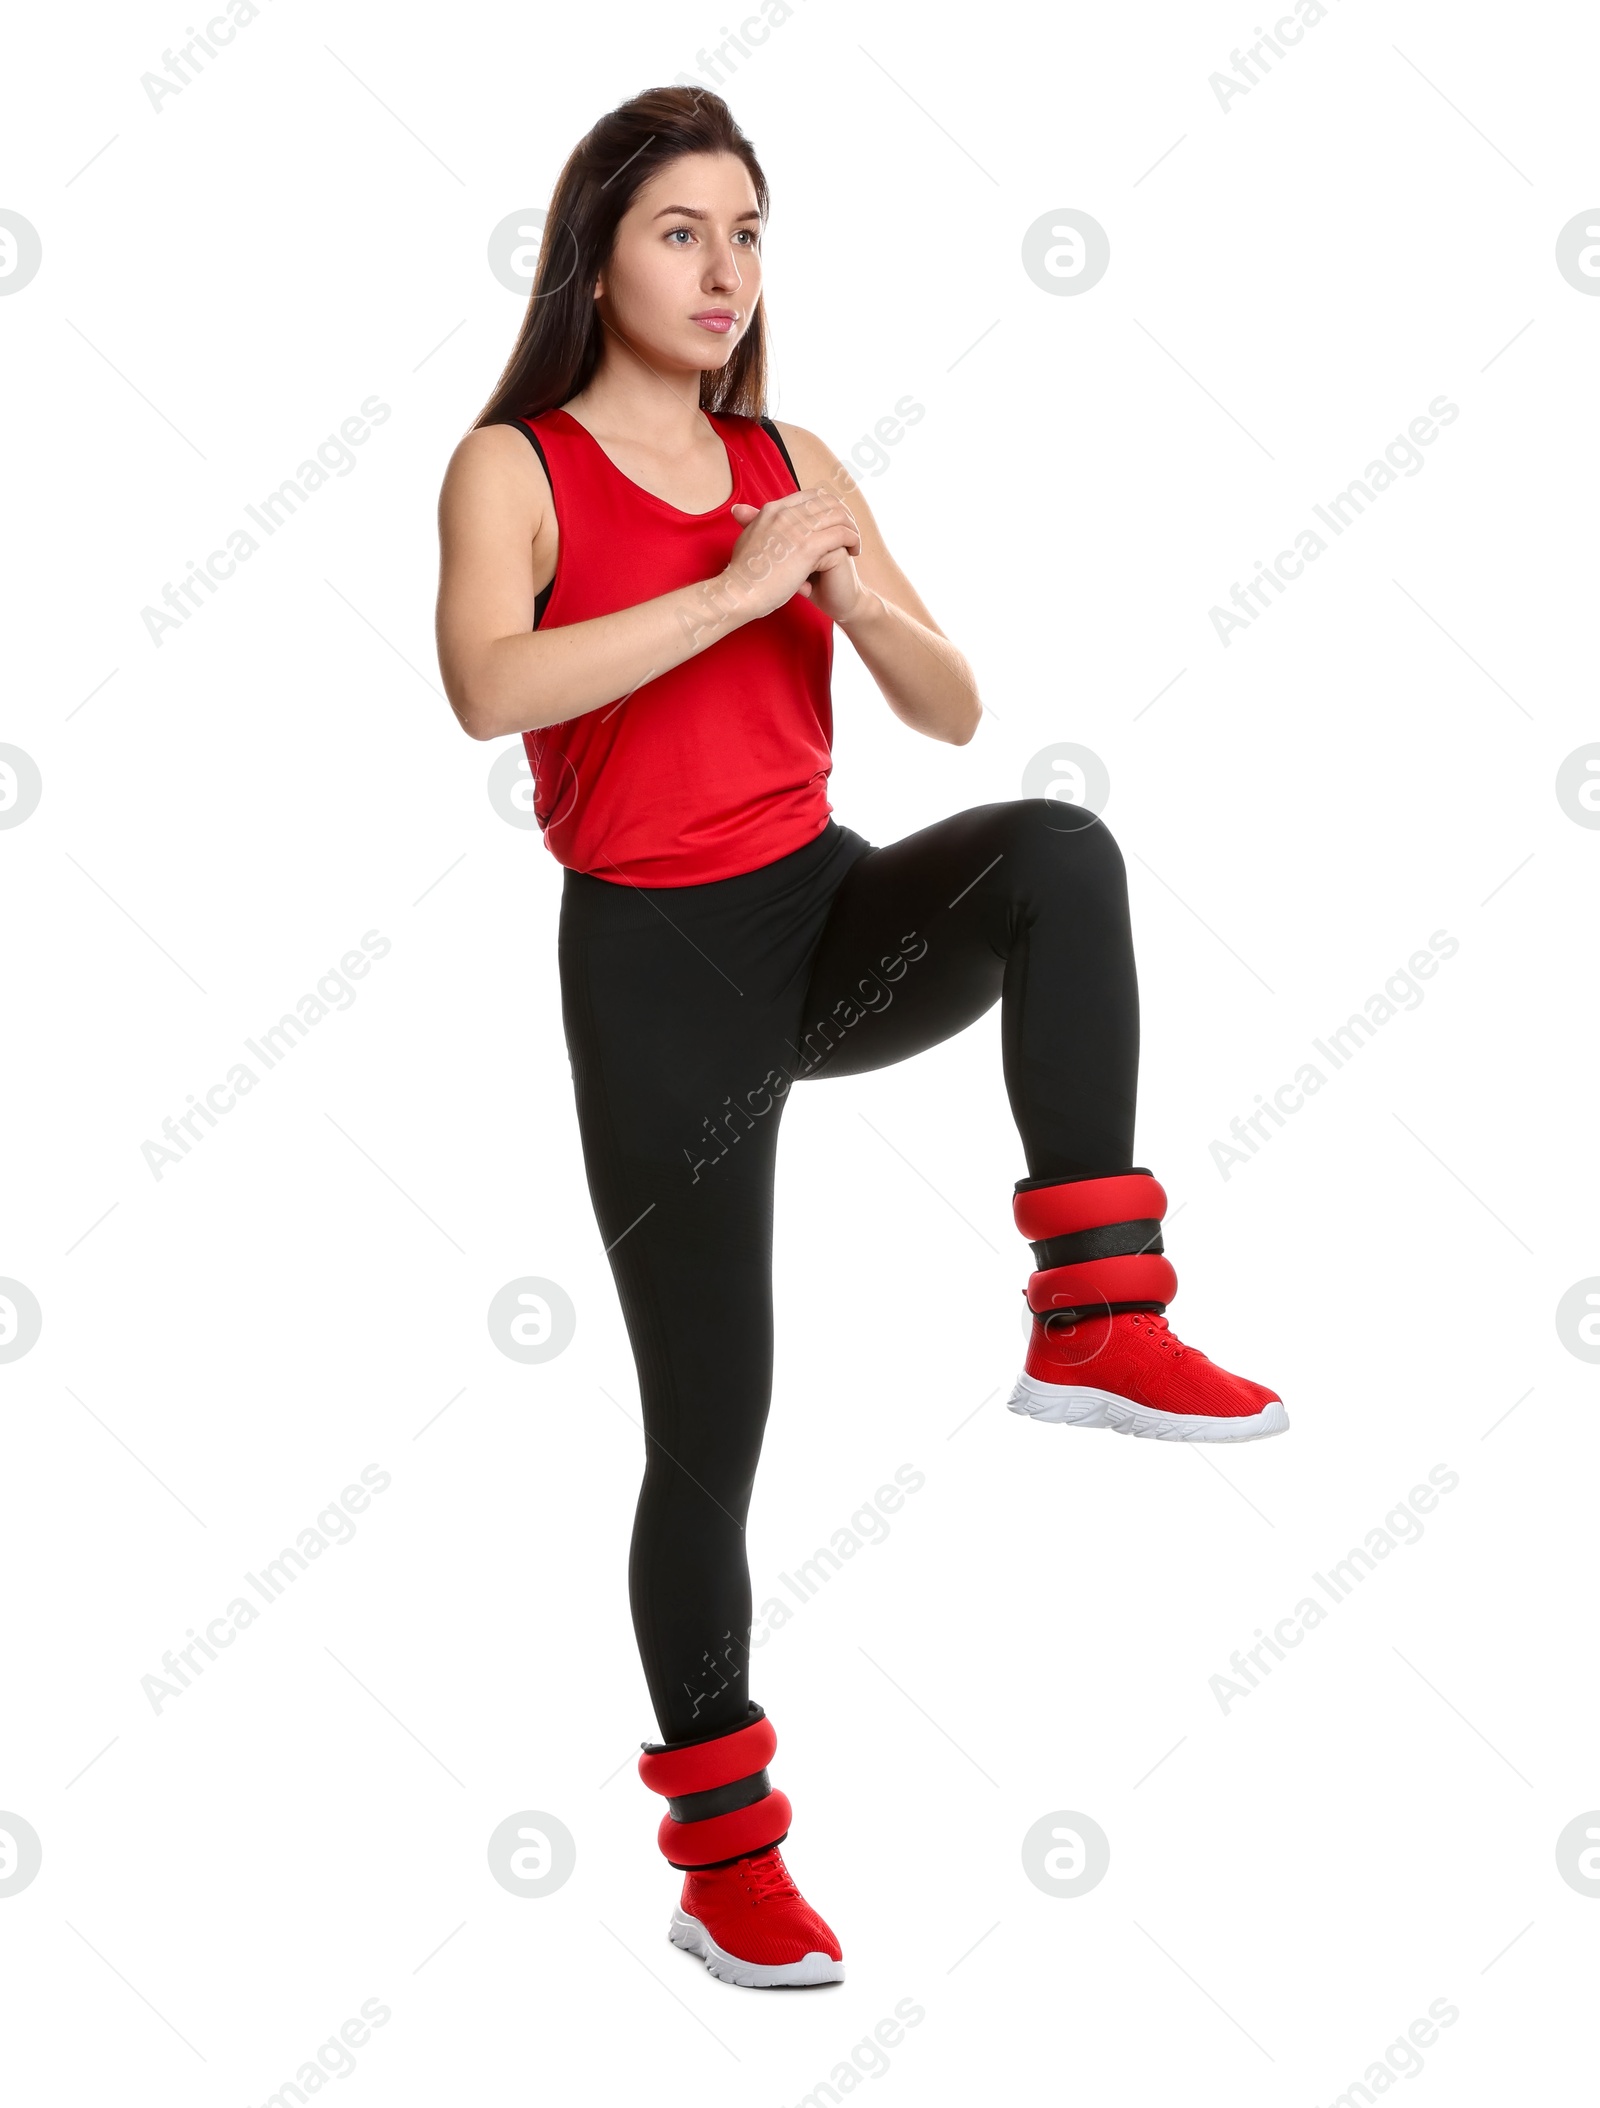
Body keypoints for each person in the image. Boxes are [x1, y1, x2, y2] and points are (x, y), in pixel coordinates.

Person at [435, 85, 1286, 1991]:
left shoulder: (794, 455)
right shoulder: (516, 467)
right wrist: (727, 594)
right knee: (710, 1429)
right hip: (656, 972)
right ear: (594, 252)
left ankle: (1094, 1317)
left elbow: (957, 709)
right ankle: (725, 1861)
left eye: (747, 233)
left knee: (1061, 851)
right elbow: (489, 689)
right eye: (680, 232)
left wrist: (835, 589)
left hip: (827, 924)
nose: (723, 270)